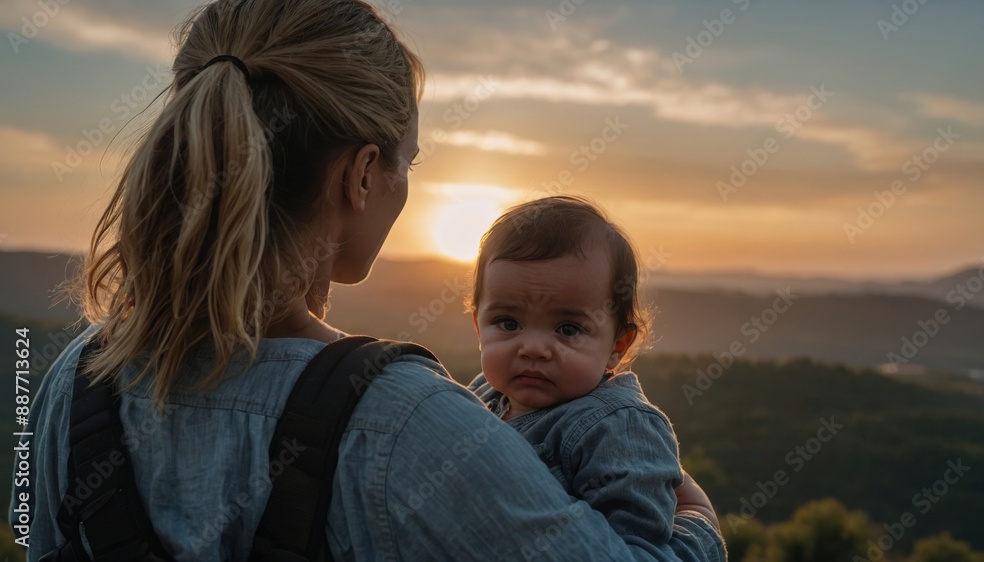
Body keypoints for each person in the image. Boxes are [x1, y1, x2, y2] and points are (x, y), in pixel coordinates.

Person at [9, 0, 726, 560]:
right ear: (359, 175)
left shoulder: (78, 378)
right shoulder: (404, 421)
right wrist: (696, 520)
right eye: (406, 164)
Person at [467, 196, 715, 548]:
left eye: (568, 329)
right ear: (478, 326)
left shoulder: (617, 427)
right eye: (508, 323)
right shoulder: (480, 393)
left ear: (617, 345)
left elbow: (633, 550)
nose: (534, 348)